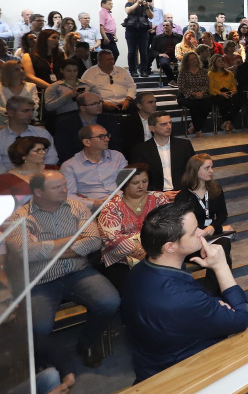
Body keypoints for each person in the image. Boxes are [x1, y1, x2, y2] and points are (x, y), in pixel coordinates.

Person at [122, 201, 248, 382]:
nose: (201, 233)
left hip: (149, 365)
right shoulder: (183, 299)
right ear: (169, 247)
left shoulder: (139, 270)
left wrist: (209, 306)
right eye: (194, 231)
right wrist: (221, 266)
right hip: (183, 376)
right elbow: (241, 318)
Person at [6, 171, 120, 371]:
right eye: (57, 187)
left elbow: (94, 241)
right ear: (38, 192)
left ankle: (87, 343)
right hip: (41, 280)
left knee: (110, 302)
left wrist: (46, 249)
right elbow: (28, 252)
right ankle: (45, 362)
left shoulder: (77, 206)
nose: (64, 190)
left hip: (79, 272)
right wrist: (75, 239)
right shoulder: (20, 217)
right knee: (39, 326)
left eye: (65, 184)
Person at [97, 164, 171, 292]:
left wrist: (153, 252)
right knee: (133, 289)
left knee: (168, 283)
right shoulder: (112, 206)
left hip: (157, 252)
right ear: (124, 184)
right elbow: (112, 237)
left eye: (144, 181)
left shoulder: (159, 198)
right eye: (135, 183)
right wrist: (141, 252)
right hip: (122, 260)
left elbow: (169, 225)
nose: (141, 186)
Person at [174, 154, 235, 295]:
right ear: (195, 171)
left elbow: (223, 215)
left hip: (211, 236)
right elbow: (181, 226)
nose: (211, 171)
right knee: (223, 254)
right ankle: (221, 293)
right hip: (192, 242)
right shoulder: (183, 196)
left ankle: (210, 294)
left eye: (211, 167)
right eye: (207, 168)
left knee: (223, 245)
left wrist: (211, 228)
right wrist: (201, 237)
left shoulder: (215, 189)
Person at [60, 124, 127, 208]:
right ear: (87, 142)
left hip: (121, 203)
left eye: (107, 135)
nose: (107, 139)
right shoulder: (69, 165)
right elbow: (68, 195)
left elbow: (127, 184)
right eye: (101, 137)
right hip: (91, 209)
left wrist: (116, 198)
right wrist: (93, 204)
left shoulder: (117, 157)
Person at [129, 111, 196, 193]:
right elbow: (138, 177)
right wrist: (159, 195)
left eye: (170, 123)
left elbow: (193, 170)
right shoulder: (141, 149)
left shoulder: (184, 145)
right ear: (152, 128)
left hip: (182, 192)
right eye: (164, 124)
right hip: (154, 194)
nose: (169, 127)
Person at [53, 92, 121, 163]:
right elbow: (63, 150)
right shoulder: (65, 123)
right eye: (94, 104)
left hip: (106, 162)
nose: (99, 106)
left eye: (100, 102)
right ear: (83, 108)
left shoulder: (109, 120)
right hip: (76, 163)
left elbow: (116, 145)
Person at [0, 96, 57, 173]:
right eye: (25, 111)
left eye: (32, 110)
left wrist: (38, 173)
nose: (30, 114)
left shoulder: (42, 133)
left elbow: (52, 158)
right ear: (10, 112)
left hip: (39, 175)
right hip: (6, 177)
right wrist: (12, 176)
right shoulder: (1, 136)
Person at [0, 136, 53, 204]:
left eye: (44, 149)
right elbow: (5, 205)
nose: (44, 152)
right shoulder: (6, 179)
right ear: (23, 155)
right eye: (38, 150)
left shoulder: (53, 170)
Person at [176, 52, 210, 137]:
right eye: (191, 59)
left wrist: (201, 93)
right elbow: (181, 86)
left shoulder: (203, 71)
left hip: (201, 94)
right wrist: (193, 93)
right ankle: (198, 129)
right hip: (186, 95)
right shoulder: (183, 72)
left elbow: (207, 84)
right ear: (187, 61)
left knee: (208, 104)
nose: (194, 60)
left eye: (195, 58)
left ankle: (194, 125)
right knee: (194, 105)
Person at [124, 0, 153, 77]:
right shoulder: (129, 3)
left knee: (144, 52)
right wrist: (137, 3)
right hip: (131, 31)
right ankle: (133, 70)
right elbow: (128, 11)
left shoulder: (147, 5)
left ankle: (143, 70)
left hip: (143, 31)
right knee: (132, 51)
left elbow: (151, 16)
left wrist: (146, 6)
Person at [208, 54, 240, 132]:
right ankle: (227, 122)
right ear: (214, 63)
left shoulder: (229, 73)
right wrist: (221, 93)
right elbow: (211, 88)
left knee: (238, 101)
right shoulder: (211, 74)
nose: (221, 62)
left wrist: (233, 91)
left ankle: (228, 122)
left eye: (222, 60)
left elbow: (233, 85)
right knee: (223, 101)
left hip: (228, 92)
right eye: (218, 61)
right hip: (217, 94)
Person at [150, 20, 181, 85]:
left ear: (172, 26)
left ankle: (181, 80)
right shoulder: (157, 38)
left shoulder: (179, 37)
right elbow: (152, 50)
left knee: (186, 62)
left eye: (167, 25)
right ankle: (172, 79)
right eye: (164, 25)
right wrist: (160, 54)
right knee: (164, 63)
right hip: (165, 55)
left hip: (177, 55)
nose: (165, 27)